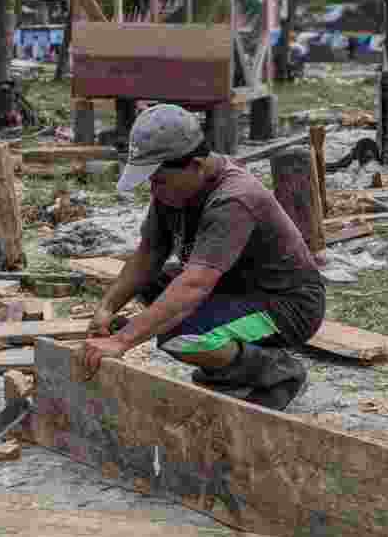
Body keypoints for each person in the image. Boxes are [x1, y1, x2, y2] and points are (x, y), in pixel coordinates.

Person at [79, 104, 326, 411]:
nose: (154, 189)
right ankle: (230, 364)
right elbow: (149, 252)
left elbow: (195, 285)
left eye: (158, 180)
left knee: (181, 335)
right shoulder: (174, 189)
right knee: (153, 285)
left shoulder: (234, 198)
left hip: (289, 305)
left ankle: (275, 373)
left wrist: (122, 341)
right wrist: (106, 307)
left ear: (195, 165)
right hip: (234, 286)